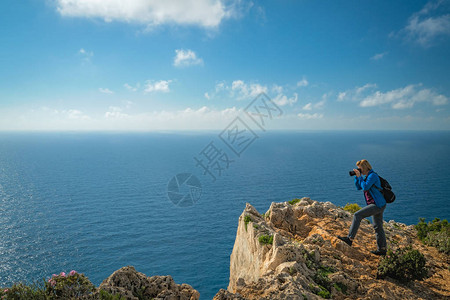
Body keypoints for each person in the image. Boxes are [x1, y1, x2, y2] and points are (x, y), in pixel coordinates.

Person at [338, 159, 387, 255]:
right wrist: (357, 178)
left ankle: (350, 239)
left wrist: (360, 177)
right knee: (378, 227)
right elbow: (359, 187)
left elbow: (365, 187)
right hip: (379, 204)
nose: (358, 170)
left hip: (377, 205)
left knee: (357, 215)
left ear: (364, 168)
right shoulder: (367, 176)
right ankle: (382, 249)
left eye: (359, 168)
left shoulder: (372, 176)